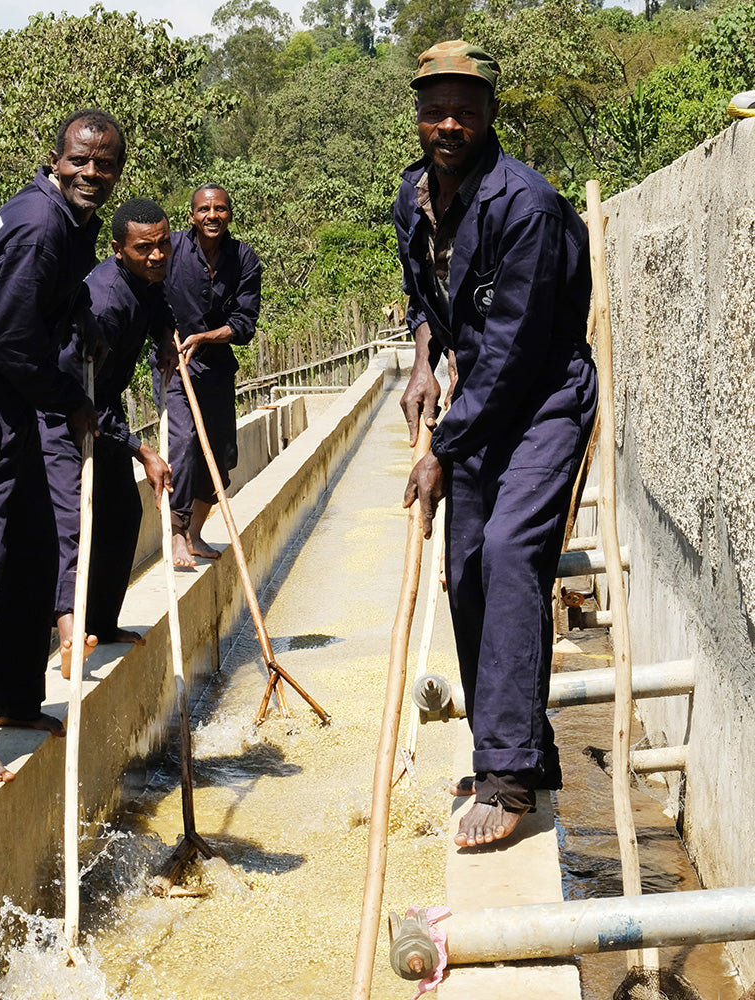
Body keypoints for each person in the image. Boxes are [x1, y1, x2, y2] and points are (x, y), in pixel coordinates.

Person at [394, 41, 598, 847]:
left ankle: (508, 781)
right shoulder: (414, 199)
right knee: (465, 568)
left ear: (489, 117)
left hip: (542, 399)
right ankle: (515, 748)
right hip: (476, 397)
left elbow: (516, 349)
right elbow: (424, 296)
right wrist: (421, 359)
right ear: (419, 115)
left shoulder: (529, 207)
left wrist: (441, 448)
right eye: (437, 110)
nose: (450, 124)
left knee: (513, 554)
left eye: (466, 112)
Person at [0, 109, 126, 783]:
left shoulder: (69, 222)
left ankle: (13, 696)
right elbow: (7, 336)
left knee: (36, 541)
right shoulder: (39, 224)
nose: (92, 173)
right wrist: (71, 399)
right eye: (81, 161)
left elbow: (47, 304)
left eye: (105, 165)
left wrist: (83, 323)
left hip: (9, 388)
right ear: (56, 159)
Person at [41, 198, 177, 676]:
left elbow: (159, 304)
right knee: (77, 525)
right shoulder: (105, 301)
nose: (158, 256)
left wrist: (164, 338)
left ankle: (103, 622)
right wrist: (144, 452)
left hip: (104, 410)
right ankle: (65, 639)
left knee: (123, 514)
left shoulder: (144, 283)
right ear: (119, 249)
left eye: (163, 245)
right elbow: (84, 398)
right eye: (145, 249)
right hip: (70, 415)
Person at [153, 183, 262, 567]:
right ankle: (177, 533)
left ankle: (196, 533)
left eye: (219, 209)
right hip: (174, 362)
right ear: (192, 215)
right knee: (182, 443)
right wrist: (169, 335)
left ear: (229, 213)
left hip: (216, 368)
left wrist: (206, 337)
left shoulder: (244, 259)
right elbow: (152, 296)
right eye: (204, 210)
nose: (212, 216)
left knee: (218, 454)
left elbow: (245, 324)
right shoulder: (171, 249)